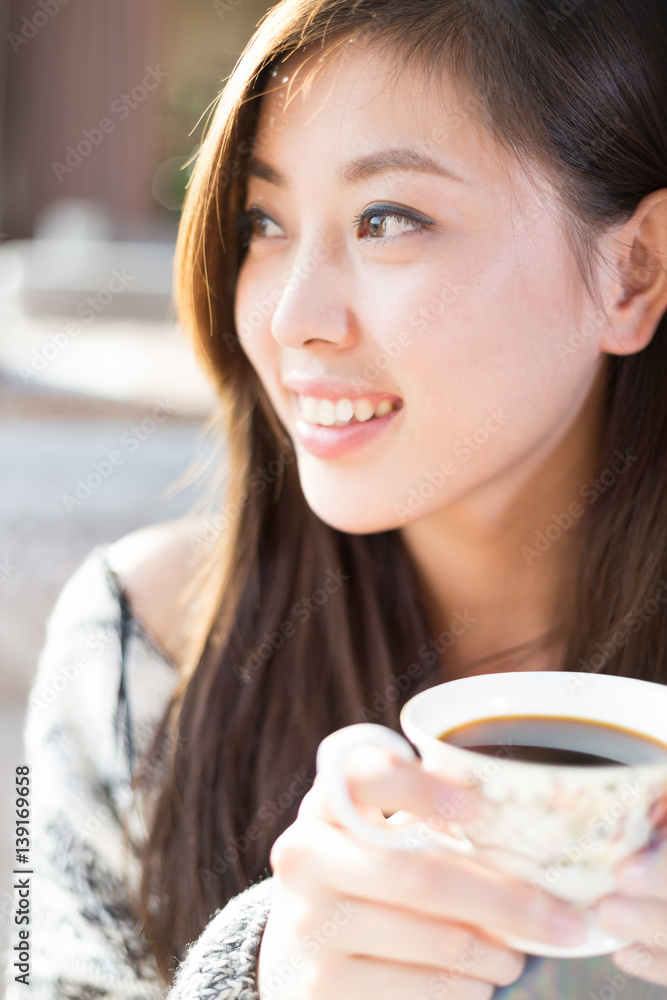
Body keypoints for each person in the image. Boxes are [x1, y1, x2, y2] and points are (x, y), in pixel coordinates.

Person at [5, 0, 667, 997]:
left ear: (633, 269)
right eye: (262, 223)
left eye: (387, 220)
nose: (290, 317)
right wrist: (260, 977)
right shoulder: (133, 643)